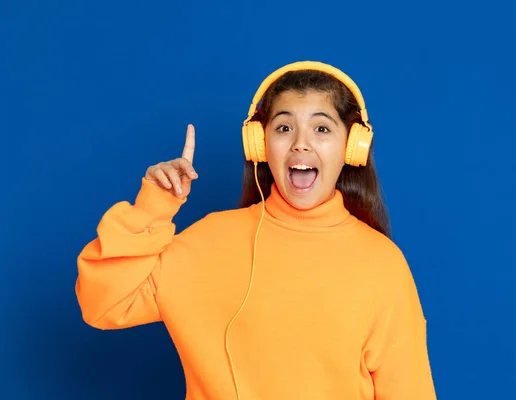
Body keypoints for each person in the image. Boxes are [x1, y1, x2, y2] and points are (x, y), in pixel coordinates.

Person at [75, 61, 437, 400]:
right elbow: (103, 304)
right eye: (284, 127)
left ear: (352, 148)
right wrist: (153, 208)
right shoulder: (209, 241)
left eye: (322, 128)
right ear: (260, 145)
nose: (300, 143)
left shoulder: (382, 264)